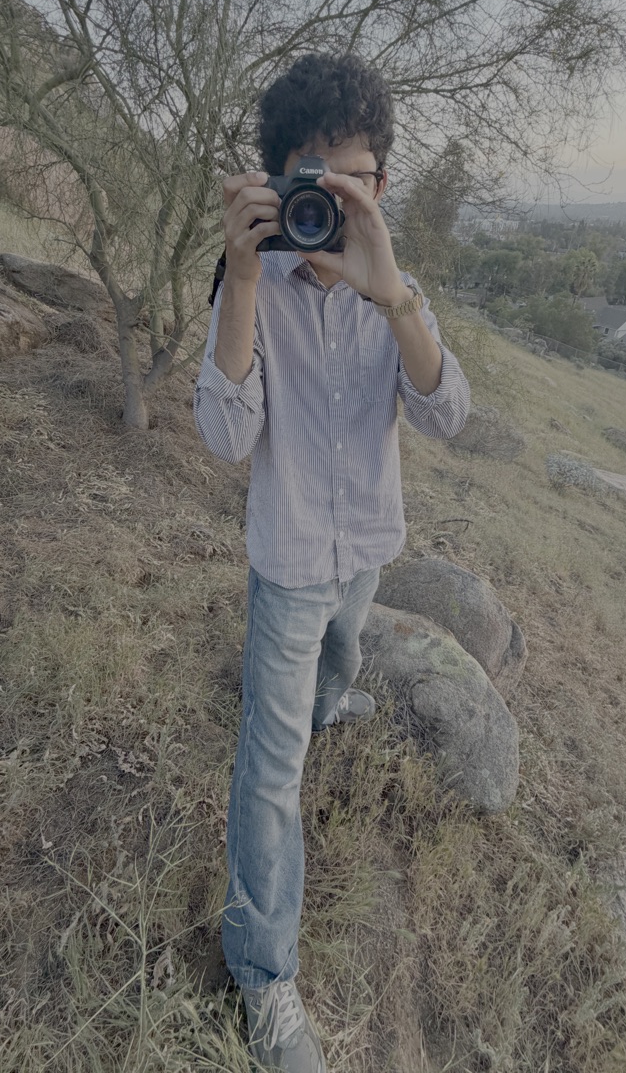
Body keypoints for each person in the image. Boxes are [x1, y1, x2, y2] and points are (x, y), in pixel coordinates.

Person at [193, 52, 470, 1072]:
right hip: (289, 553)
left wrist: (388, 292)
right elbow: (225, 440)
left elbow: (449, 416)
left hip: (367, 545)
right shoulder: (249, 285)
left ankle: (324, 697)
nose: (328, 204)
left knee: (341, 653)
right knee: (270, 772)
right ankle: (265, 977)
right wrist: (245, 279)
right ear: (274, 183)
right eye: (309, 180)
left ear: (380, 188)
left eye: (350, 181)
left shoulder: (399, 291)